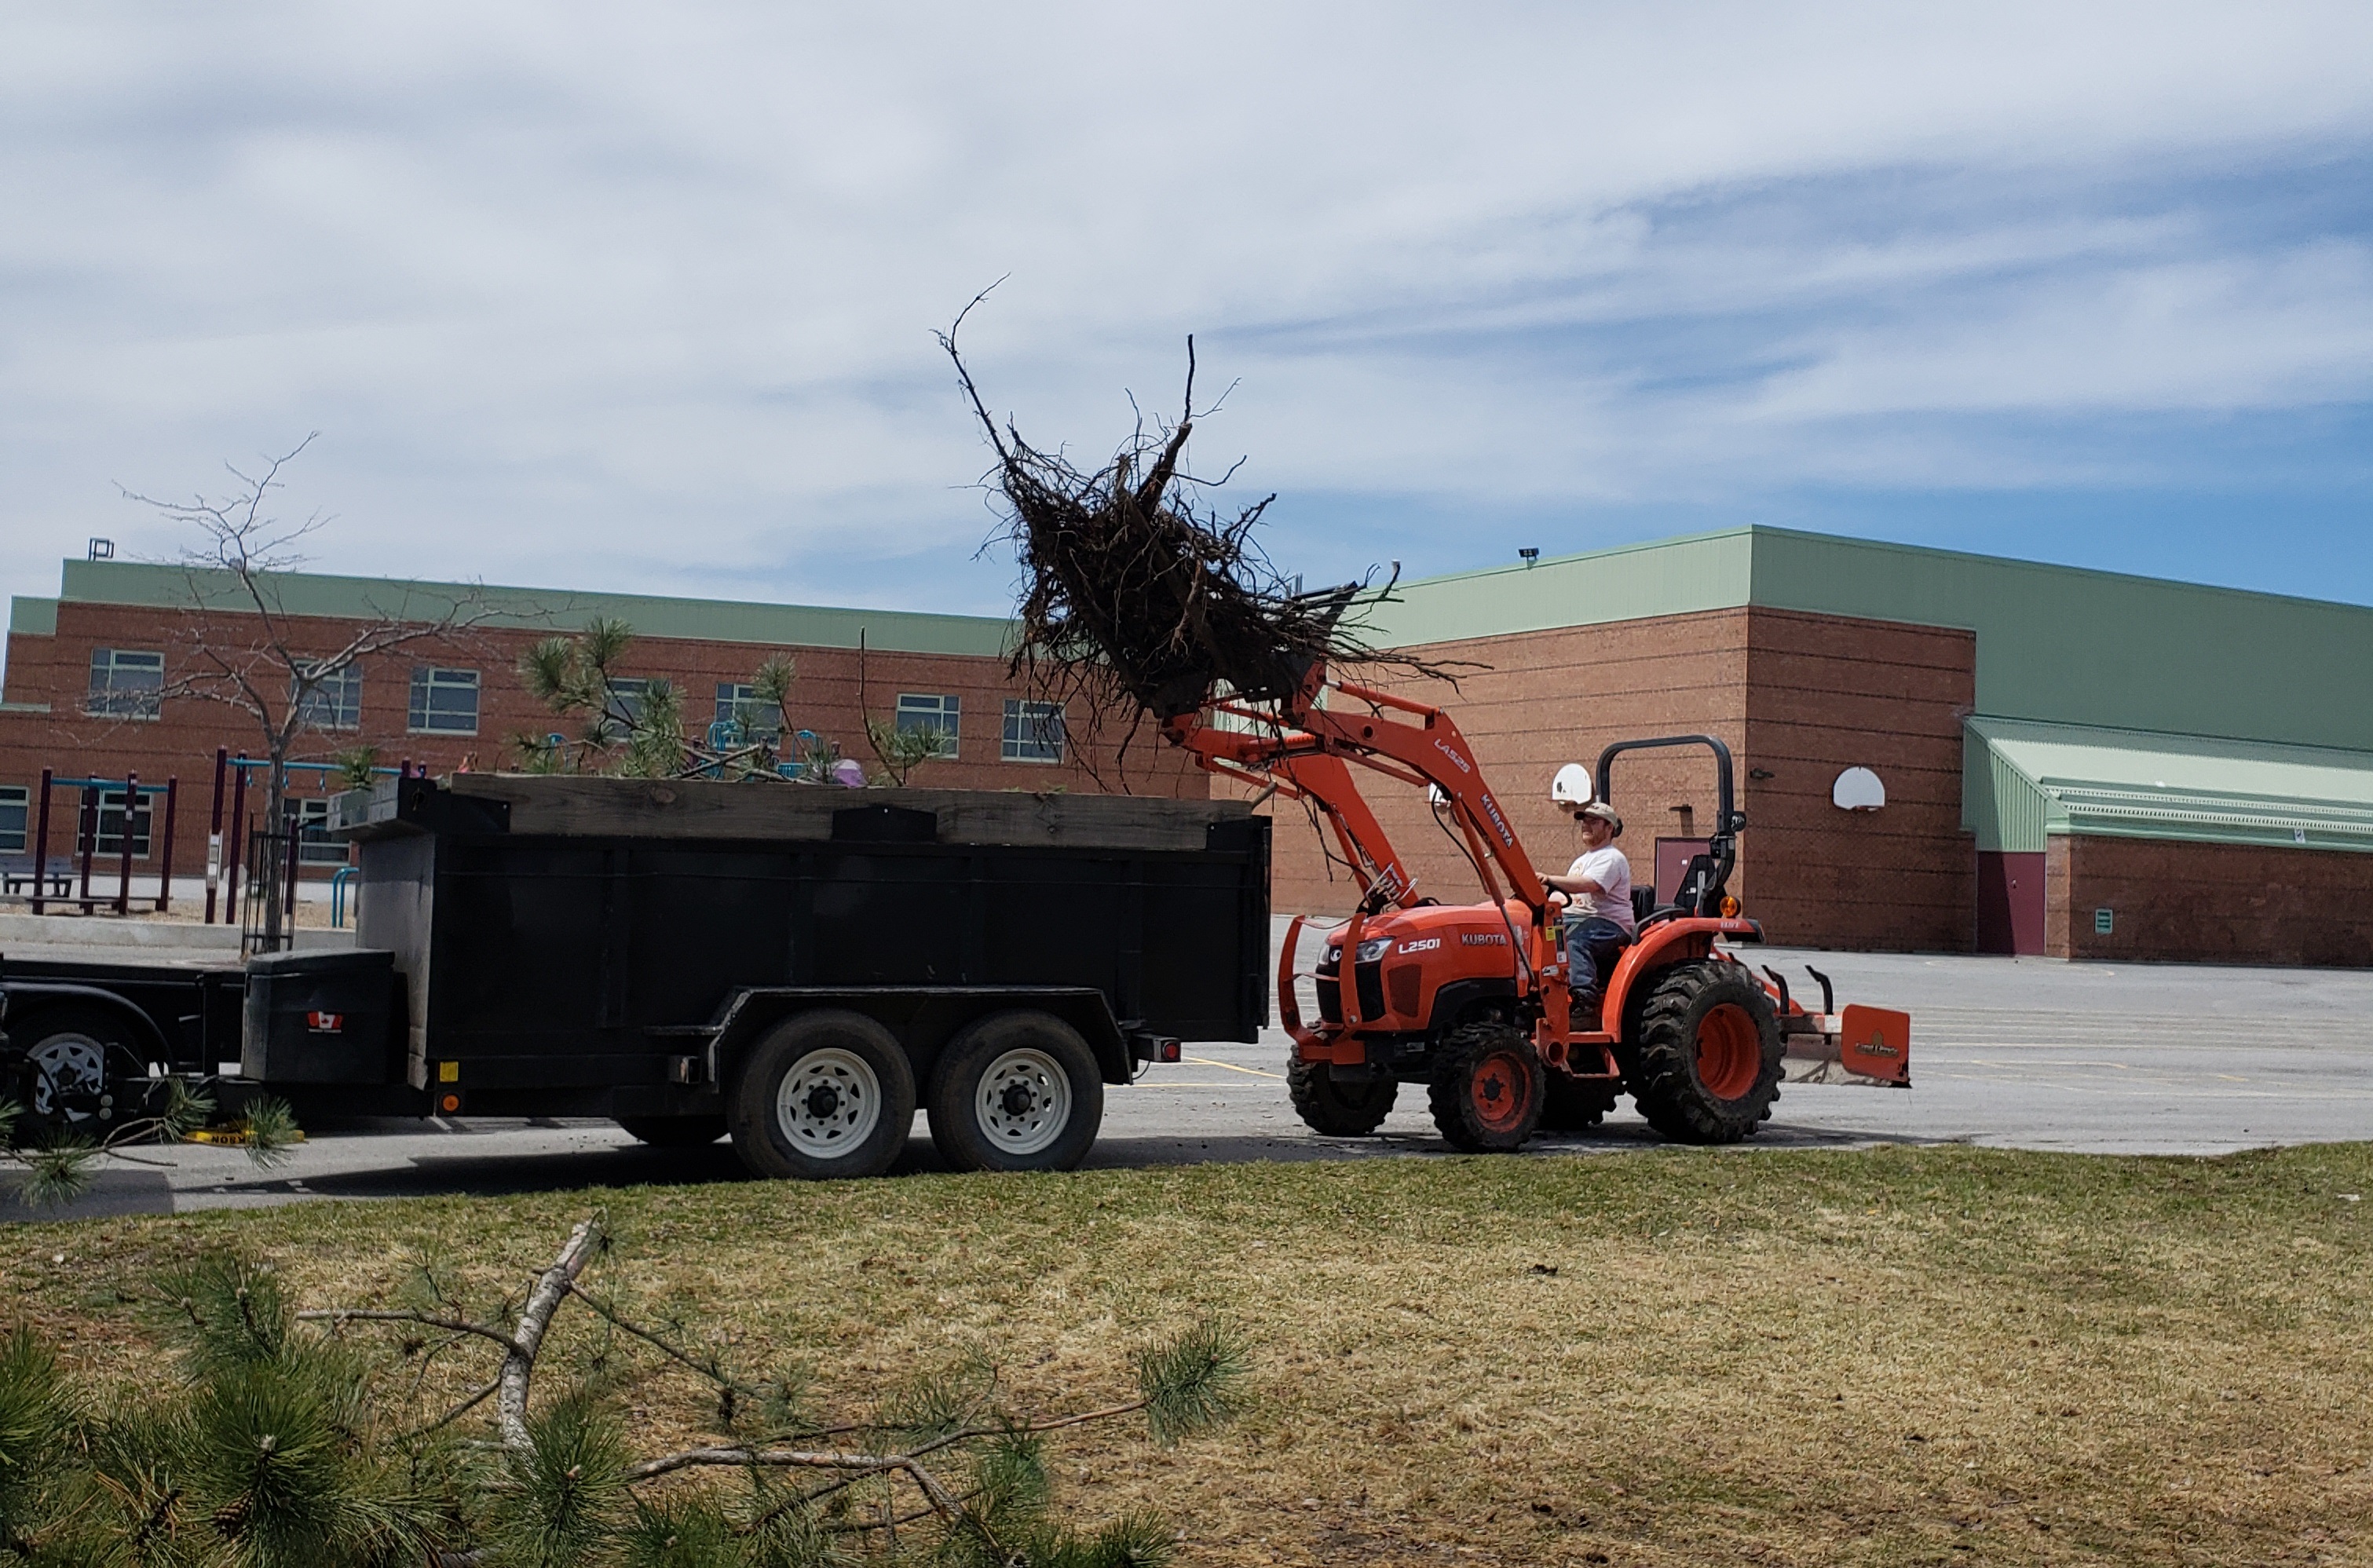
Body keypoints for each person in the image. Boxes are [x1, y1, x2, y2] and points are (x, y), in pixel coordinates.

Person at [1542, 801, 1633, 1022]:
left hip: (1608, 923)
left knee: (1573, 941)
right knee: (1540, 936)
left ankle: (1584, 1002)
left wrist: (1549, 878)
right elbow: (1565, 896)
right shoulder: (1581, 861)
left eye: (1593, 822)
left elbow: (1588, 885)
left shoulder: (1612, 858)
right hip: (1578, 917)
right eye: (1584, 821)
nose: (1585, 825)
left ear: (1609, 827)